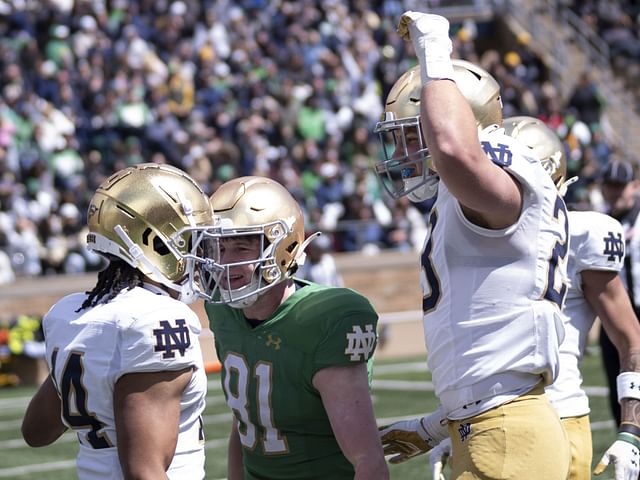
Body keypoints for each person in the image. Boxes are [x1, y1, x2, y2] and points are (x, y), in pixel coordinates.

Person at [373, 12, 570, 479]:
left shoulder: (499, 170)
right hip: (489, 424)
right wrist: (439, 424)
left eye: (411, 134)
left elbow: (457, 151)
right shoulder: (466, 197)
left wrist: (434, 52)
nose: (403, 155)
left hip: (508, 433)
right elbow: (489, 341)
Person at [21, 163, 213, 479]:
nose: (200, 253)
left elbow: (36, 431)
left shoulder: (69, 313)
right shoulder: (157, 317)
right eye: (190, 240)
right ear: (156, 242)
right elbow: (144, 471)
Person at [199, 176, 389, 480]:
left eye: (239, 247)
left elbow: (368, 461)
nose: (225, 262)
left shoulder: (325, 317)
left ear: (282, 247)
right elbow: (244, 419)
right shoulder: (221, 309)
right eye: (217, 248)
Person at [503, 116, 640, 479]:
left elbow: (631, 338)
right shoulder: (472, 235)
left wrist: (632, 431)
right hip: (491, 421)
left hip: (557, 415)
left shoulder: (586, 231)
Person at [597, 159, 640, 426]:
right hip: (613, 314)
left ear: (634, 186)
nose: (616, 192)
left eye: (620, 186)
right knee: (620, 389)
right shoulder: (600, 223)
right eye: (611, 186)